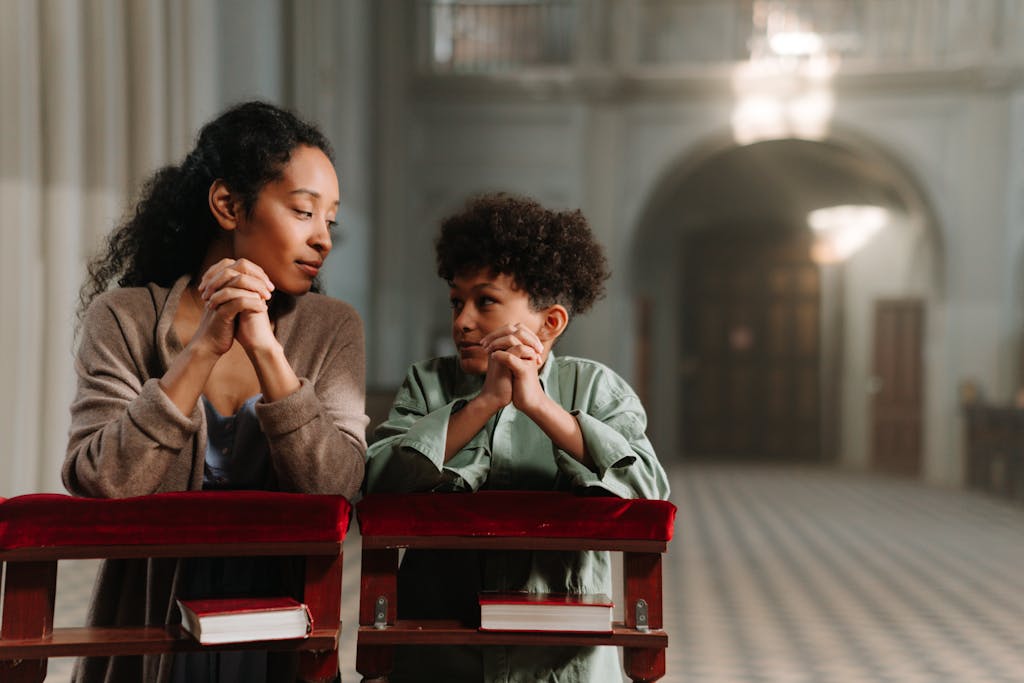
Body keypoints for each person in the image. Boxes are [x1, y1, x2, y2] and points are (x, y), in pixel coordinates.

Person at [64, 101, 367, 683]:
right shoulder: (122, 318)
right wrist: (202, 348)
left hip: (284, 625)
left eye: (331, 220)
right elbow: (99, 479)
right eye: (304, 211)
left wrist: (266, 351)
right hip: (150, 623)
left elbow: (338, 486)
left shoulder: (333, 327)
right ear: (228, 205)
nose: (323, 238)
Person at [365, 193, 670, 682]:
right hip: (440, 647)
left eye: (485, 301)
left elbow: (649, 489)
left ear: (549, 323)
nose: (461, 321)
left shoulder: (595, 388)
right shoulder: (428, 383)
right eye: (456, 302)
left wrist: (541, 407)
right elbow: (377, 481)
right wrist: (483, 403)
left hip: (562, 656)